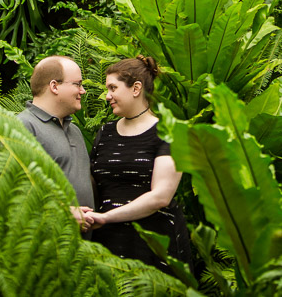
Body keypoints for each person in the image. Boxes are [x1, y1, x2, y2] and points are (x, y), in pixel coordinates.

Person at [83, 55, 192, 272]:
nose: (107, 96)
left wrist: (106, 218)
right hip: (108, 244)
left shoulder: (169, 132)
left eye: (113, 88)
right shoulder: (105, 133)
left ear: (136, 88)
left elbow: (161, 196)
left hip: (155, 245)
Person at [17, 55, 96, 232]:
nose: (82, 91)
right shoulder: (23, 126)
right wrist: (62, 213)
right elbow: (14, 189)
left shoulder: (75, 131)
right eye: (77, 84)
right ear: (54, 86)